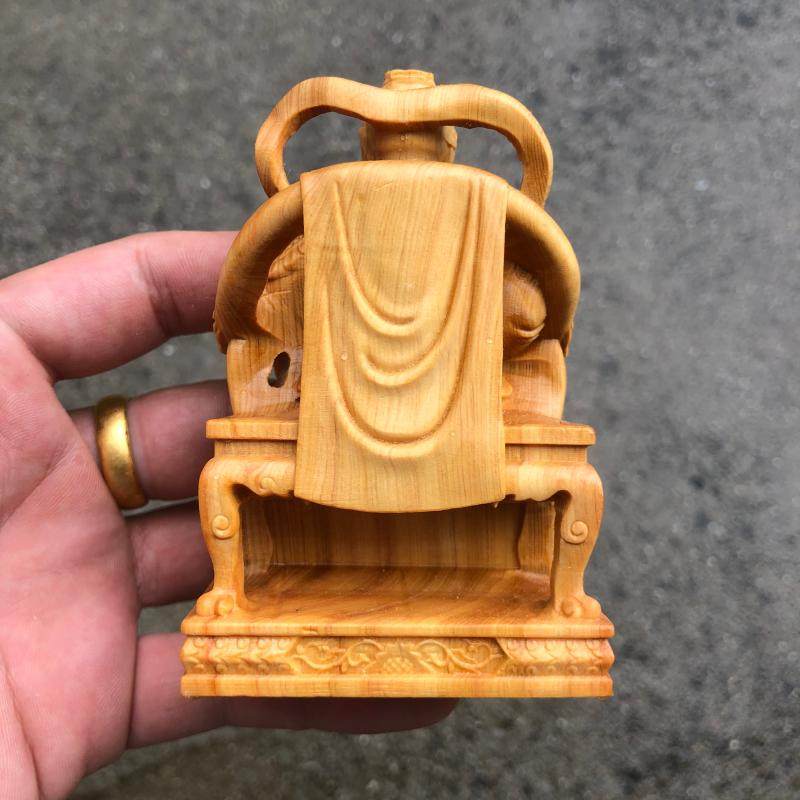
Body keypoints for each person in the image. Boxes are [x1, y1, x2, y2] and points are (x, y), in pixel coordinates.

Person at [0, 232, 456, 800]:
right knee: (231, 476)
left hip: (431, 402)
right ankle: (234, 595)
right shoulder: (299, 272)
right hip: (307, 404)